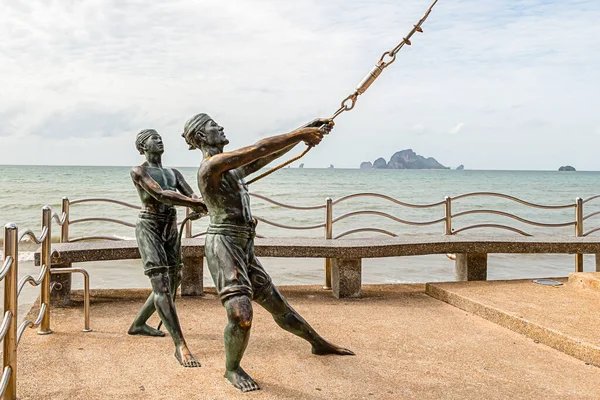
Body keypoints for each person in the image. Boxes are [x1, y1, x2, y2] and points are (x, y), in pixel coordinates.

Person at [182, 114, 354, 392]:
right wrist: (302, 134)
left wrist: (305, 129)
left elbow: (267, 155)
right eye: (214, 125)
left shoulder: (233, 169)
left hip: (244, 245)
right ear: (201, 136)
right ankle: (232, 369)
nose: (222, 126)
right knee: (241, 315)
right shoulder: (211, 166)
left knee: (278, 305)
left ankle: (317, 343)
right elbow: (261, 148)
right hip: (224, 246)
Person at [128, 128, 207, 368]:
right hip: (149, 225)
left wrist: (199, 206)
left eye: (160, 137)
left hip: (170, 225)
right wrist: (195, 202)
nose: (159, 140)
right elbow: (160, 194)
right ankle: (180, 345)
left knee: (175, 278)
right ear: (143, 146)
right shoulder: (139, 171)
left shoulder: (173, 173)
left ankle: (139, 324)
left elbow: (191, 194)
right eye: (153, 138)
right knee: (161, 283)